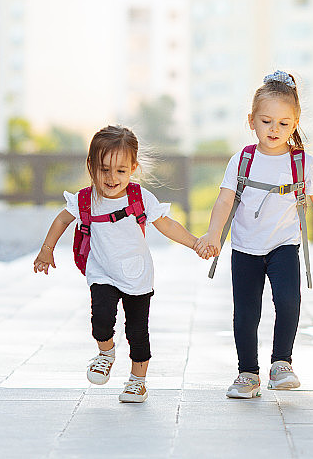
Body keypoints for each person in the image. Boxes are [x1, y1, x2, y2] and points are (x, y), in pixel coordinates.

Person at [196, 70, 313, 399]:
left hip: (284, 247)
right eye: (266, 121)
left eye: (283, 123)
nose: (274, 130)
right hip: (245, 248)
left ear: (295, 123)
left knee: (289, 301)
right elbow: (224, 199)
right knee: (247, 311)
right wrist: (212, 235)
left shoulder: (302, 162)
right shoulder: (243, 159)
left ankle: (281, 363)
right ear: (251, 120)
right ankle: (247, 373)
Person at [33, 125, 213, 403]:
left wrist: (195, 243)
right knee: (101, 321)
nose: (112, 178)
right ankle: (105, 353)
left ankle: (137, 381)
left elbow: (167, 225)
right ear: (91, 166)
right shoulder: (85, 199)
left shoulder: (140, 198)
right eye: (104, 169)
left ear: (133, 168)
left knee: (137, 331)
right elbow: (61, 220)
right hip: (102, 272)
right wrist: (47, 250)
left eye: (120, 170)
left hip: (137, 275)